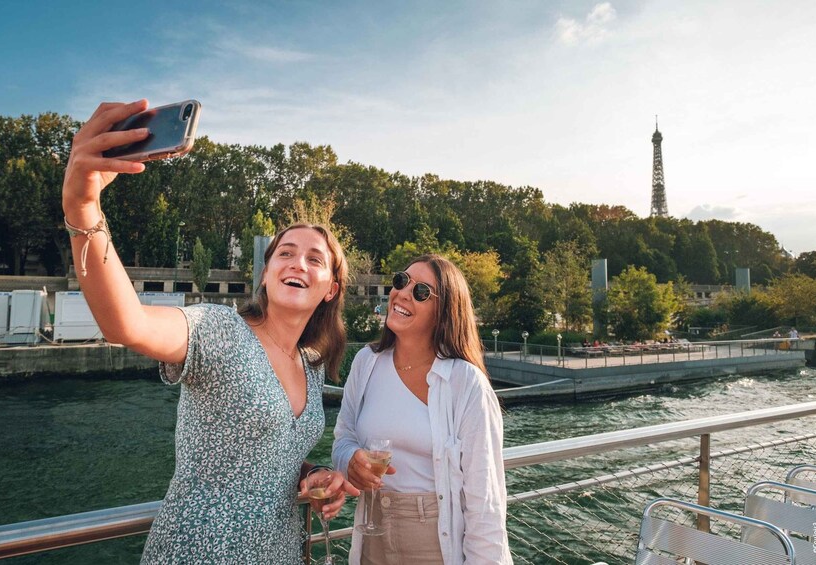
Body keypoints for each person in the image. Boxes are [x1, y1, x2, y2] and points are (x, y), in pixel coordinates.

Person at [62, 99, 358, 564]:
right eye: (284, 253)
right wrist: (82, 206)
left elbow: (266, 457)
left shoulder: (311, 364)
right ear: (265, 275)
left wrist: (313, 472)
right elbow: (127, 323)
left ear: (329, 289)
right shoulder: (219, 329)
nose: (297, 262)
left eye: (314, 258)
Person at [333, 254, 513, 564]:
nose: (402, 293)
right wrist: (350, 460)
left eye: (421, 292)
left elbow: (485, 504)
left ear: (444, 312)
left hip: (437, 542)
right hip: (371, 533)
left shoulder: (466, 383)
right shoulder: (366, 362)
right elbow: (343, 437)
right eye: (402, 281)